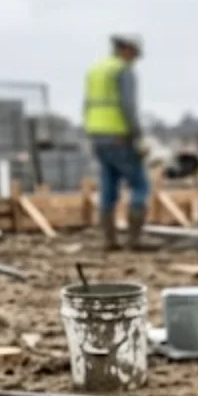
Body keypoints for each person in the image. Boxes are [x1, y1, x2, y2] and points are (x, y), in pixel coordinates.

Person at [83, 34, 153, 250]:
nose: (135, 59)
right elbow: (128, 107)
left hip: (98, 137)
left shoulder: (96, 70)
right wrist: (138, 136)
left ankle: (109, 239)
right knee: (140, 185)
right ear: (127, 49)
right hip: (120, 137)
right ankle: (134, 239)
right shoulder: (123, 70)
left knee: (108, 186)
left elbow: (87, 106)